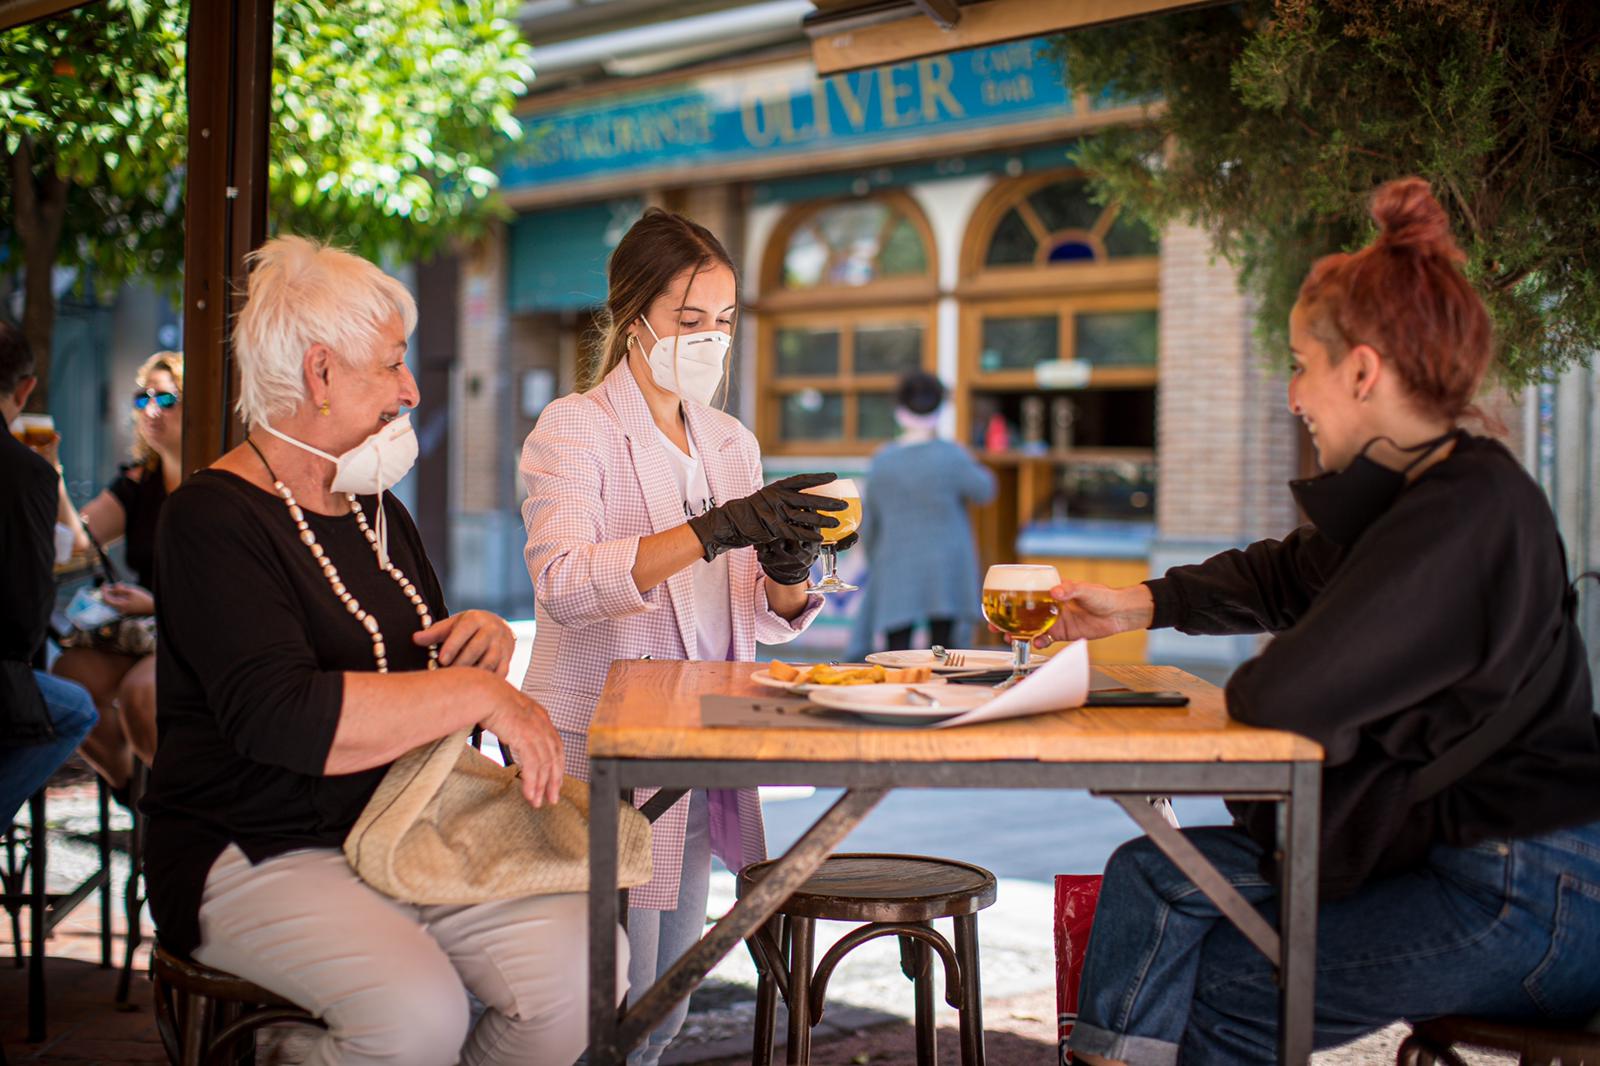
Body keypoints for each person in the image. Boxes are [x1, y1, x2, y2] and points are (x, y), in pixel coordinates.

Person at [1035, 178, 1600, 1065]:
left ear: (1363, 371)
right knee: (1149, 874)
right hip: (1444, 856)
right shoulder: (1418, 496)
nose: (1294, 393)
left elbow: (1284, 694)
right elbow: (1287, 572)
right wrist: (1140, 604)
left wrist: (1293, 661)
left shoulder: (1469, 508)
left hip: (1531, 893)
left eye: (1301, 363)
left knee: (1224, 982)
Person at [141, 236, 609, 1065]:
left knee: (587, 978)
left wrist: (481, 650)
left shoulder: (374, 506)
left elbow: (411, 677)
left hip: (401, 824)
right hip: (250, 844)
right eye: (391, 364)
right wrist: (477, 698)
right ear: (319, 374)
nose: (411, 389)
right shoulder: (210, 519)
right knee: (415, 1017)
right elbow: (282, 717)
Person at [519, 207, 846, 1065]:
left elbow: (755, 615)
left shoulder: (731, 442)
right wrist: (714, 529)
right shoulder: (575, 427)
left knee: (669, 999)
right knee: (602, 1002)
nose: (710, 340)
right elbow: (564, 583)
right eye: (688, 321)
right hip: (602, 755)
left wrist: (786, 561)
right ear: (634, 319)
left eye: (725, 323)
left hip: (700, 752)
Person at [53, 350, 182, 798]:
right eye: (141, 397)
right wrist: (51, 470)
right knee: (68, 682)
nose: (150, 409)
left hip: (195, 631)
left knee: (140, 695)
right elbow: (78, 541)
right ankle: (136, 797)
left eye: (165, 399)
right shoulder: (138, 481)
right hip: (144, 633)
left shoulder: (216, 483)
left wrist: (154, 603)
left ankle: (176, 815)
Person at [0, 320, 99, 825]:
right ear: (24, 389)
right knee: (76, 708)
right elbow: (26, 617)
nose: (151, 409)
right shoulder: (22, 473)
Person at [848, 370, 995, 657]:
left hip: (896, 563)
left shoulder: (882, 460)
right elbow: (985, 490)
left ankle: (896, 697)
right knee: (946, 651)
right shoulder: (952, 455)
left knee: (896, 650)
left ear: (899, 411)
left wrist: (868, 557)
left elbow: (870, 520)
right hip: (948, 566)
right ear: (940, 410)